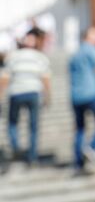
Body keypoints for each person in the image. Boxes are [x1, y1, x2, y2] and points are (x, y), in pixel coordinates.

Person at [0, 29, 51, 164]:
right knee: (33, 125)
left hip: (16, 92)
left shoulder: (13, 56)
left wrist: (1, 93)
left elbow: (5, 77)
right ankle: (32, 155)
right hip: (33, 92)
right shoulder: (40, 57)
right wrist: (47, 96)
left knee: (12, 122)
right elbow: (45, 78)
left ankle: (16, 147)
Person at [69, 27, 95, 173]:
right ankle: (91, 147)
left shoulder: (75, 54)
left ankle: (78, 163)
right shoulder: (92, 50)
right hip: (92, 92)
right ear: (88, 36)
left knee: (80, 129)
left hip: (76, 95)